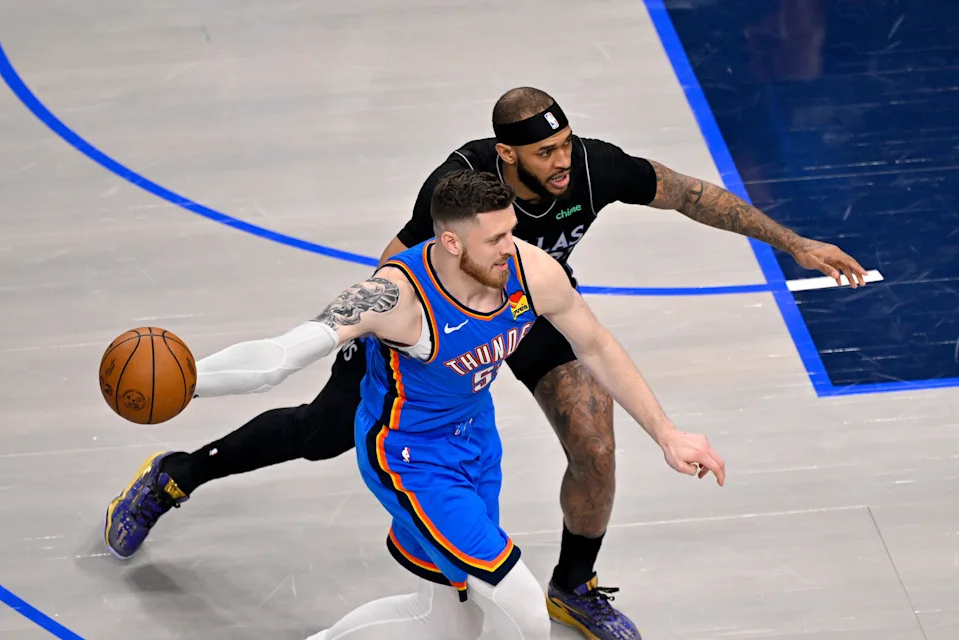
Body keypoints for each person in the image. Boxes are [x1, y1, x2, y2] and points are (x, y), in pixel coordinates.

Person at [104, 87, 867, 639]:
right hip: (433, 328)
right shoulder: (458, 195)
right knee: (321, 429)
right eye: (545, 155)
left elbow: (688, 198)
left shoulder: (572, 205)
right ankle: (179, 472)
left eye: (566, 146)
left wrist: (791, 243)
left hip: (517, 314)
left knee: (594, 440)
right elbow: (384, 273)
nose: (563, 163)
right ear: (506, 158)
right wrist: (371, 338)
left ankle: (575, 587)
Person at [177, 169, 726, 639]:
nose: (511, 248)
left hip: (476, 442)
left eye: (511, 231)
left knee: (451, 623)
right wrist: (189, 381)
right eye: (495, 240)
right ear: (452, 243)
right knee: (526, 611)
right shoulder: (396, 298)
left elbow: (596, 345)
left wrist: (667, 433)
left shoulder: (530, 272)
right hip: (411, 459)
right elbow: (281, 354)